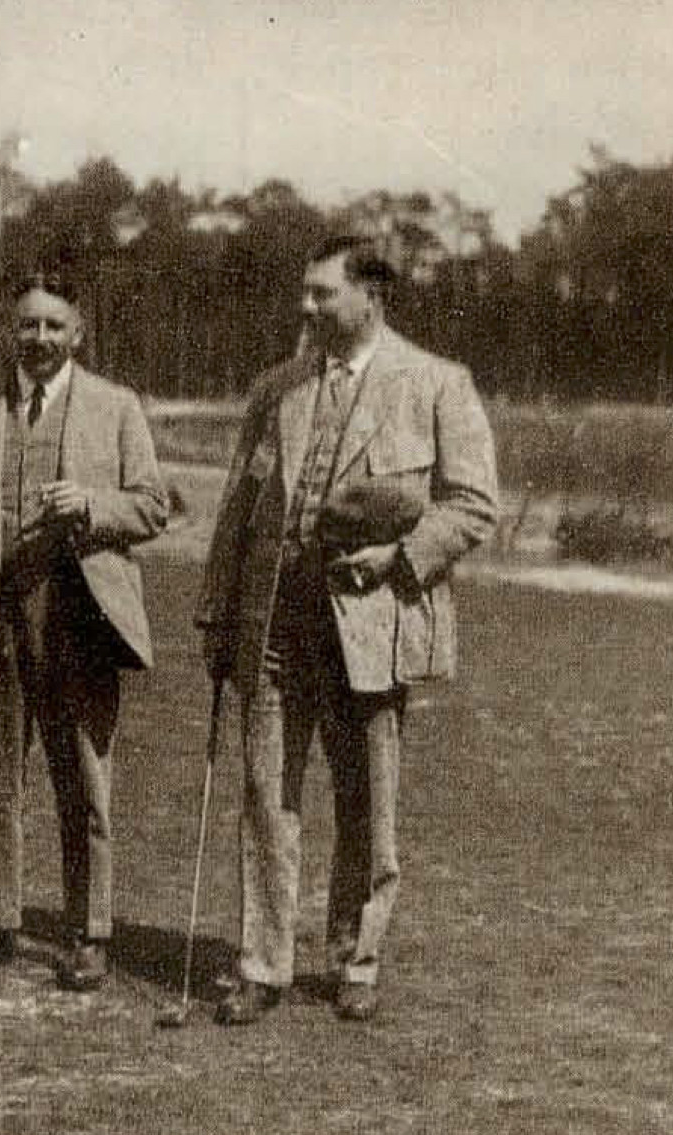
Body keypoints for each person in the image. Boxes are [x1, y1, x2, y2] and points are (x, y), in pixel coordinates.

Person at [198, 236, 497, 1024]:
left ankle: (356, 960)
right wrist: (216, 615)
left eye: (322, 293)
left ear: (371, 296)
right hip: (272, 627)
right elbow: (235, 512)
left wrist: (398, 557)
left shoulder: (436, 384)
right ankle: (262, 963)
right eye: (305, 292)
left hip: (370, 630)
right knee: (267, 796)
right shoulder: (278, 389)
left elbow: (472, 505)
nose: (307, 306)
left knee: (367, 802)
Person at [0, 269, 168, 992]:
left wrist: (92, 504)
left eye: (54, 326)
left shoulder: (116, 407)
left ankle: (88, 931)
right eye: (28, 325)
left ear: (78, 332)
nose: (39, 339)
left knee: (82, 778)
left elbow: (153, 506)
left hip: (78, 617)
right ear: (11, 331)